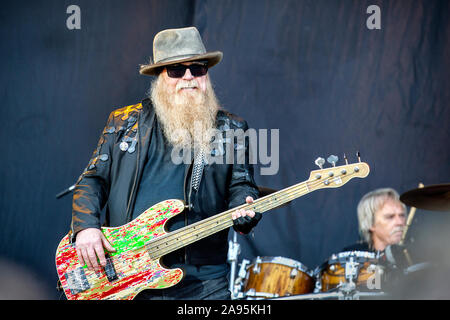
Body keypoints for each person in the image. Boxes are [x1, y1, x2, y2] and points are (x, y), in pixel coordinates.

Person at [71, 26, 261, 300]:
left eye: (198, 68)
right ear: (160, 76)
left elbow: (242, 185)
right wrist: (86, 226)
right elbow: (92, 180)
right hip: (130, 274)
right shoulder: (123, 122)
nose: (189, 77)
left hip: (204, 280)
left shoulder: (232, 128)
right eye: (176, 70)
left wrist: (245, 206)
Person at [343, 188, 406, 253]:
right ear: (370, 223)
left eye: (402, 215)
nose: (400, 222)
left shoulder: (414, 253)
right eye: (390, 217)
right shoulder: (352, 255)